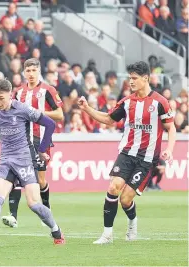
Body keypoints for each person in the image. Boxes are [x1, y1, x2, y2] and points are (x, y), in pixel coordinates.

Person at [77, 61, 176, 244]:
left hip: (146, 160)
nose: (130, 82)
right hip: (127, 153)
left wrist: (169, 149)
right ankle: (107, 234)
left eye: (134, 78)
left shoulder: (160, 102)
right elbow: (108, 119)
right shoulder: (127, 101)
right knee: (113, 187)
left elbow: (171, 128)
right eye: (129, 78)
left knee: (125, 199)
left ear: (145, 79)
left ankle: (132, 223)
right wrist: (87, 109)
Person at [0, 79, 65, 245]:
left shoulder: (23, 109)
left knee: (34, 204)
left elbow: (50, 124)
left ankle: (56, 231)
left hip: (25, 161)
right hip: (6, 160)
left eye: (1, 98)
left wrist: (43, 149)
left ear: (10, 95)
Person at [2, 58, 64, 228]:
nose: (30, 74)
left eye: (33, 71)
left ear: (39, 71)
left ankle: (46, 210)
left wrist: (38, 113)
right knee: (16, 174)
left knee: (41, 181)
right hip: (21, 140)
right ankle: (12, 215)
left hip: (40, 139)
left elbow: (60, 114)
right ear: (24, 72)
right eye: (27, 71)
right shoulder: (18, 92)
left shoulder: (48, 90)